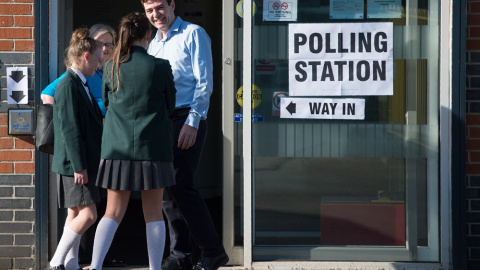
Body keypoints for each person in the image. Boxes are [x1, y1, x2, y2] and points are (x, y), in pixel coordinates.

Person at [141, 1, 229, 270]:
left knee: (181, 184)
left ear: (172, 5)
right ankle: (180, 256)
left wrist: (193, 122)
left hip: (187, 117)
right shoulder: (153, 42)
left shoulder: (193, 33)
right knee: (168, 189)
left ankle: (213, 251)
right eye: (149, 10)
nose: (155, 15)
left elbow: (205, 83)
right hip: (162, 121)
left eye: (159, 7)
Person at [89, 12, 176, 270]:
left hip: (117, 149)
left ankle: (94, 266)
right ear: (148, 34)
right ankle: (155, 268)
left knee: (112, 212)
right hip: (154, 150)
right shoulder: (161, 67)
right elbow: (170, 106)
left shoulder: (109, 67)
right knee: (154, 214)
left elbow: (106, 104)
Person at [49, 28, 104, 270]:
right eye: (98, 57)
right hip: (75, 165)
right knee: (89, 215)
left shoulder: (79, 83)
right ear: (85, 56)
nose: (100, 63)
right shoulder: (69, 85)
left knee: (74, 214)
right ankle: (56, 262)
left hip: (75, 163)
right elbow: (70, 130)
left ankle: (69, 266)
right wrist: (80, 166)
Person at [41, 23, 117, 117]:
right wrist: (67, 119)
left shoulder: (112, 71)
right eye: (99, 44)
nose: (104, 48)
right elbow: (47, 94)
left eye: (108, 45)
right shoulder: (86, 72)